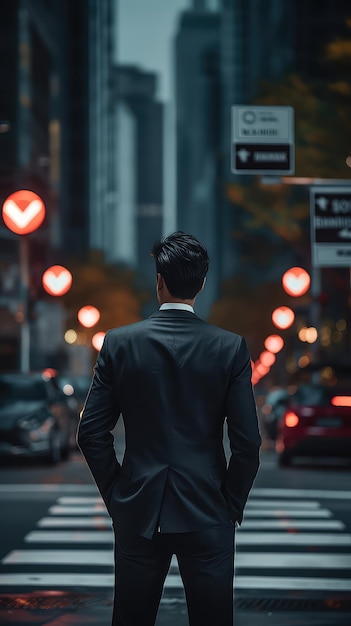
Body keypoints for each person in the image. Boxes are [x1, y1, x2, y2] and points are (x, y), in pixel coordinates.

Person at [77, 231, 261, 626]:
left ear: (158, 280)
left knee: (131, 619)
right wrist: (229, 504)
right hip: (208, 508)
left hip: (138, 509)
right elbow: (248, 444)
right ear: (202, 284)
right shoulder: (230, 348)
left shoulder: (119, 343)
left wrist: (117, 495)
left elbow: (90, 433)